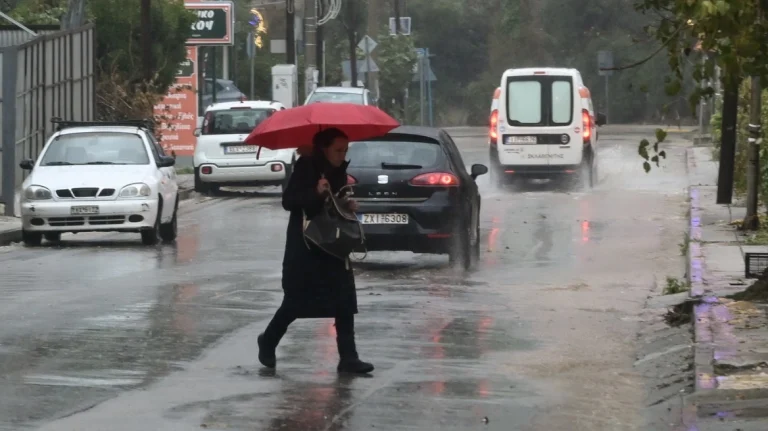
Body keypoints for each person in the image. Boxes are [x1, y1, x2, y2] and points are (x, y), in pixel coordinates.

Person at [257, 127, 374, 374]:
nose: (343, 155)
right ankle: (268, 341)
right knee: (296, 301)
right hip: (308, 245)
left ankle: (349, 357)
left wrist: (347, 204)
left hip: (333, 244)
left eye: (346, 150)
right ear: (324, 148)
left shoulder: (338, 170)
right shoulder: (306, 167)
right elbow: (289, 201)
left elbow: (336, 203)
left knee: (343, 300)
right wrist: (315, 192)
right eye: (338, 150)